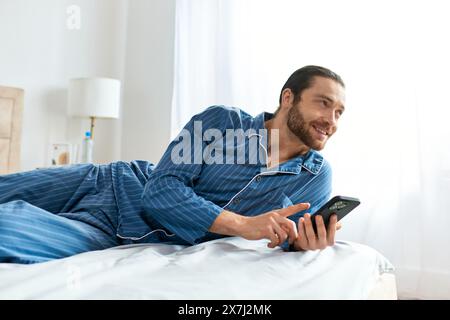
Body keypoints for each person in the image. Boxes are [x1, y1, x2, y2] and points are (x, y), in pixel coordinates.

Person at [0, 65, 346, 264]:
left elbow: (287, 237)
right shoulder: (220, 121)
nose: (331, 120)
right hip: (108, 182)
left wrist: (304, 244)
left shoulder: (315, 177)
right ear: (288, 98)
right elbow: (162, 189)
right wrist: (241, 224)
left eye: (339, 112)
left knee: (10, 232)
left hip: (117, 232)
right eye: (323, 103)